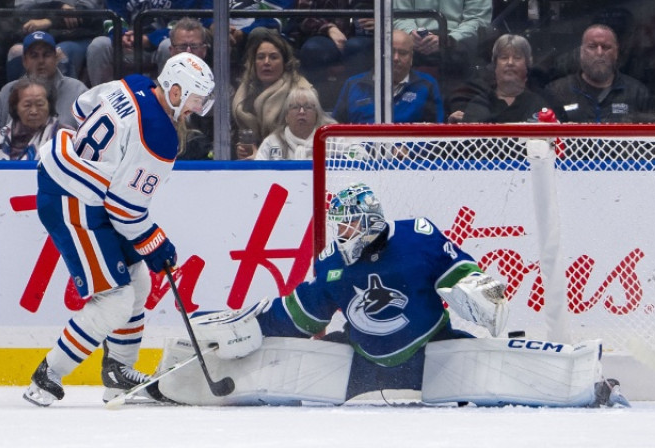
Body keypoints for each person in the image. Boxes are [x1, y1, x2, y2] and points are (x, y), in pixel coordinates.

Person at [163, 182, 629, 407]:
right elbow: (302, 315)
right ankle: (182, 388)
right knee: (290, 387)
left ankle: (587, 385)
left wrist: (483, 291)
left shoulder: (419, 235)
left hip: (436, 349)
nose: (339, 232)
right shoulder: (332, 264)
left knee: (499, 381)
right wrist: (250, 324)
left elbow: (463, 269)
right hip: (363, 362)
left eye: (346, 223)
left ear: (366, 221)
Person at [22, 52, 216, 407]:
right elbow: (125, 209)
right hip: (74, 199)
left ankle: (119, 374)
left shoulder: (136, 83)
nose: (196, 110)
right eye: (195, 100)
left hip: (78, 184)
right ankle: (48, 375)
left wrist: (106, 157)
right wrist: (157, 244)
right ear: (174, 91)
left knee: (137, 282)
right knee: (115, 299)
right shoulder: (159, 136)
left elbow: (81, 108)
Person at [0, 31, 88, 159]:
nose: (41, 61)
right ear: (24, 61)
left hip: (60, 170)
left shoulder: (79, 91)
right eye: (34, 55)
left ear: (56, 58)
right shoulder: (8, 91)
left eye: (46, 55)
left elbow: (90, 142)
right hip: (8, 171)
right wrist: (9, 156)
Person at [85, 0, 213, 87]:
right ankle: (103, 101)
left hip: (161, 43)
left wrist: (150, 39)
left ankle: (170, 105)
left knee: (169, 46)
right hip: (129, 44)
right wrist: (121, 34)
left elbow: (184, 21)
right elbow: (112, 13)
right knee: (99, 45)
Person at [544, 24, 652, 123]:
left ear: (616, 52)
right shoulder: (557, 91)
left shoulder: (637, 93)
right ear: (581, 52)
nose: (599, 53)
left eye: (606, 47)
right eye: (592, 47)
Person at [231, 28, 313, 160]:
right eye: (260, 57)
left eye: (273, 57)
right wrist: (242, 150)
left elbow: (306, 143)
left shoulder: (302, 93)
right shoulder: (245, 90)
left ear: (285, 63)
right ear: (253, 62)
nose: (266, 62)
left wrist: (262, 156)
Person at [332, 29, 444, 124]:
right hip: (360, 149)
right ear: (379, 54)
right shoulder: (353, 84)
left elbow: (437, 134)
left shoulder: (427, 84)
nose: (396, 58)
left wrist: (409, 148)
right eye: (390, 52)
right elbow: (335, 130)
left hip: (409, 149)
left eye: (403, 53)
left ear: (411, 58)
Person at [449, 34, 550, 124]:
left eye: (517, 57)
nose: (510, 63)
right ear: (495, 66)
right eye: (504, 57)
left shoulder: (542, 103)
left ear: (527, 65)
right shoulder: (478, 104)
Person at [393, 0, 491, 81]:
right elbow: (399, 15)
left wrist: (449, 40)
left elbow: (478, 20)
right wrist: (410, 34)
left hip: (457, 43)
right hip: (415, 41)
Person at [6, 0, 102, 82]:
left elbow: (86, 11)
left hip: (74, 36)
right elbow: (22, 11)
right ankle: (20, 99)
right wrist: (56, 7)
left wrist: (51, 21)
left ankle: (63, 101)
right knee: (16, 52)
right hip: (36, 35)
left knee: (59, 54)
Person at [160, 17, 213, 160]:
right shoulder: (158, 91)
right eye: (182, 47)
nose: (188, 52)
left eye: (194, 47)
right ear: (171, 51)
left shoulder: (220, 89)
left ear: (204, 50)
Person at [0, 76, 69, 160]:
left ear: (49, 106)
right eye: (27, 105)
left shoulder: (65, 135)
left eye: (40, 105)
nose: (34, 111)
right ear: (16, 107)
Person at [254, 85, 335, 160]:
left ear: (316, 115)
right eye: (295, 107)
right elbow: (258, 170)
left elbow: (348, 154)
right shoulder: (271, 143)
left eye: (308, 107)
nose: (302, 112)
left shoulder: (332, 139)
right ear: (286, 116)